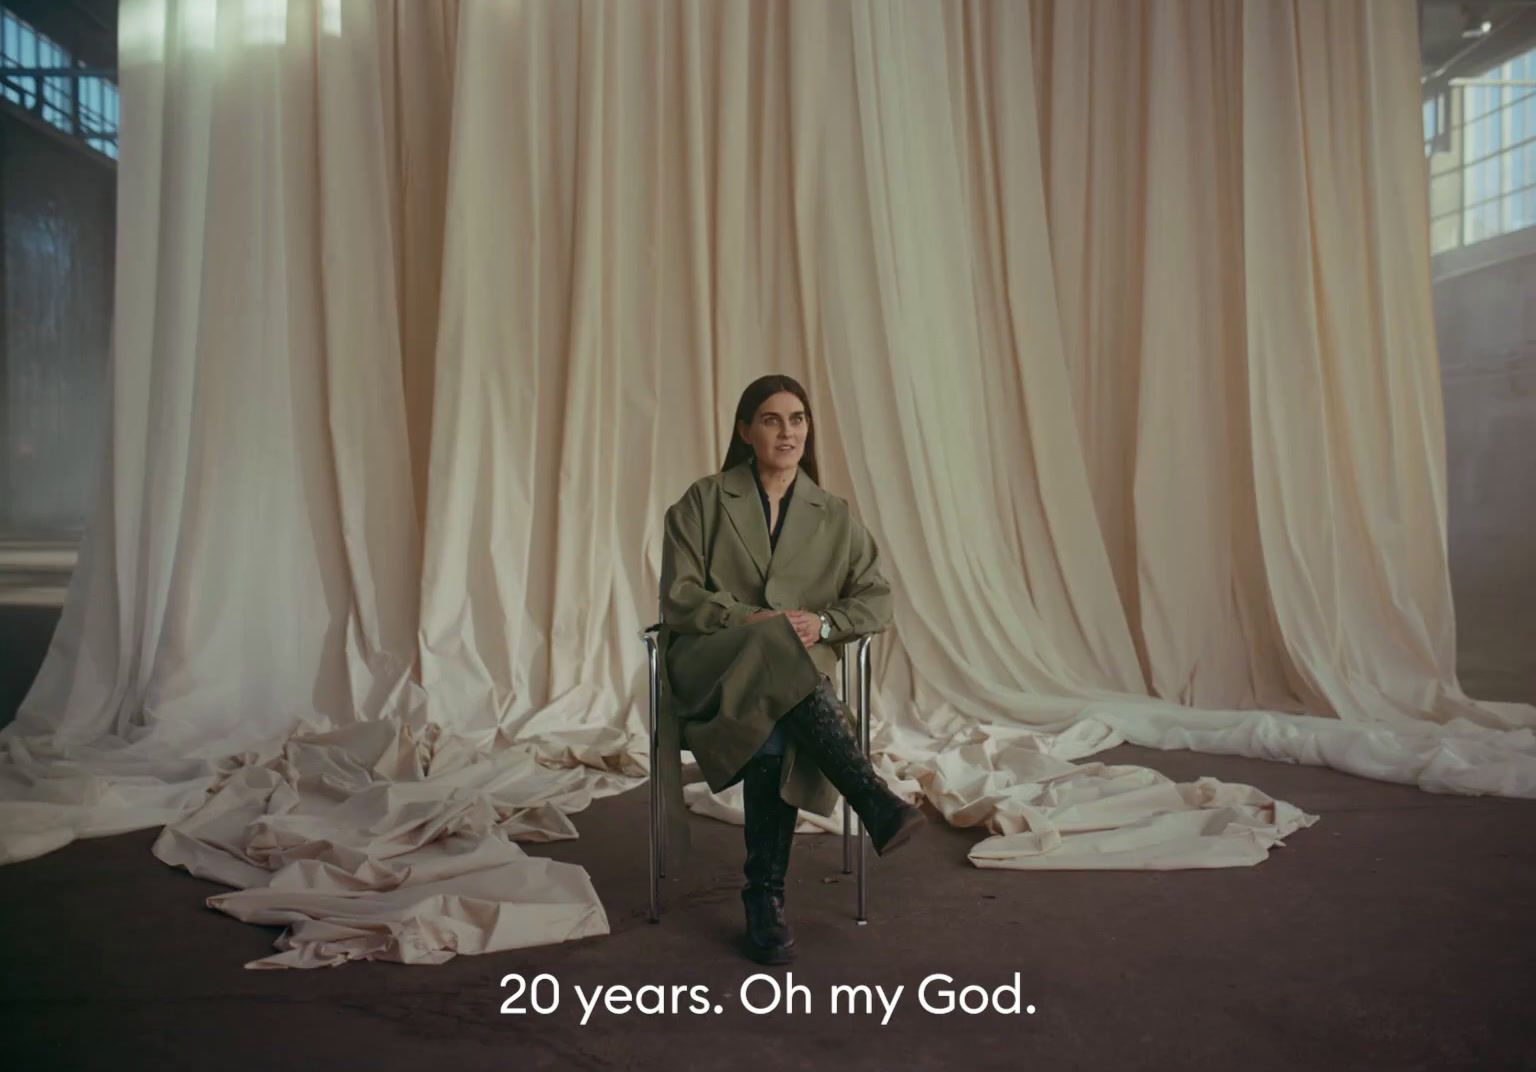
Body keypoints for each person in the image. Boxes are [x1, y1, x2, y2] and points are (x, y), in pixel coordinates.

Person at [659, 373, 927, 965]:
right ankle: (871, 796)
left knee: (777, 717)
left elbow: (876, 598)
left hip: (785, 690)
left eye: (798, 419)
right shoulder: (703, 501)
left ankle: (765, 896)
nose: (788, 431)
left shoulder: (832, 514)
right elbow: (678, 597)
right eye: (773, 419)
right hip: (712, 670)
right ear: (745, 430)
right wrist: (752, 620)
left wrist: (825, 625)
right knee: (775, 649)